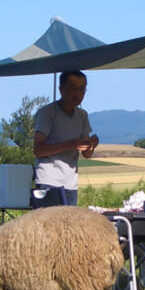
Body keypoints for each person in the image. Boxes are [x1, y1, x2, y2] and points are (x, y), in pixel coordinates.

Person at [31, 70, 99, 207]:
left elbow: (87, 154)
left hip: (71, 185)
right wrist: (70, 144)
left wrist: (91, 144)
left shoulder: (82, 115)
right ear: (61, 89)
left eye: (82, 89)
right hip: (49, 182)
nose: (78, 94)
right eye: (73, 88)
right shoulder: (47, 113)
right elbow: (38, 150)